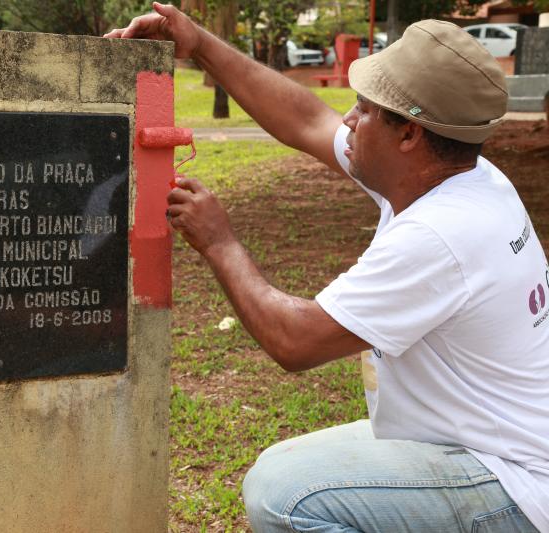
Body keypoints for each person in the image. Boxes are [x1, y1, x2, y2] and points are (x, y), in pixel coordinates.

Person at [106, 4, 549, 532]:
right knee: (287, 472)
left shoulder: (441, 235)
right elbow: (305, 119)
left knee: (285, 493)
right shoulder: (463, 174)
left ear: (409, 133)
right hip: (484, 437)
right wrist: (199, 42)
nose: (347, 118)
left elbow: (295, 340)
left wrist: (220, 242)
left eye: (363, 108)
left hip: (513, 482)